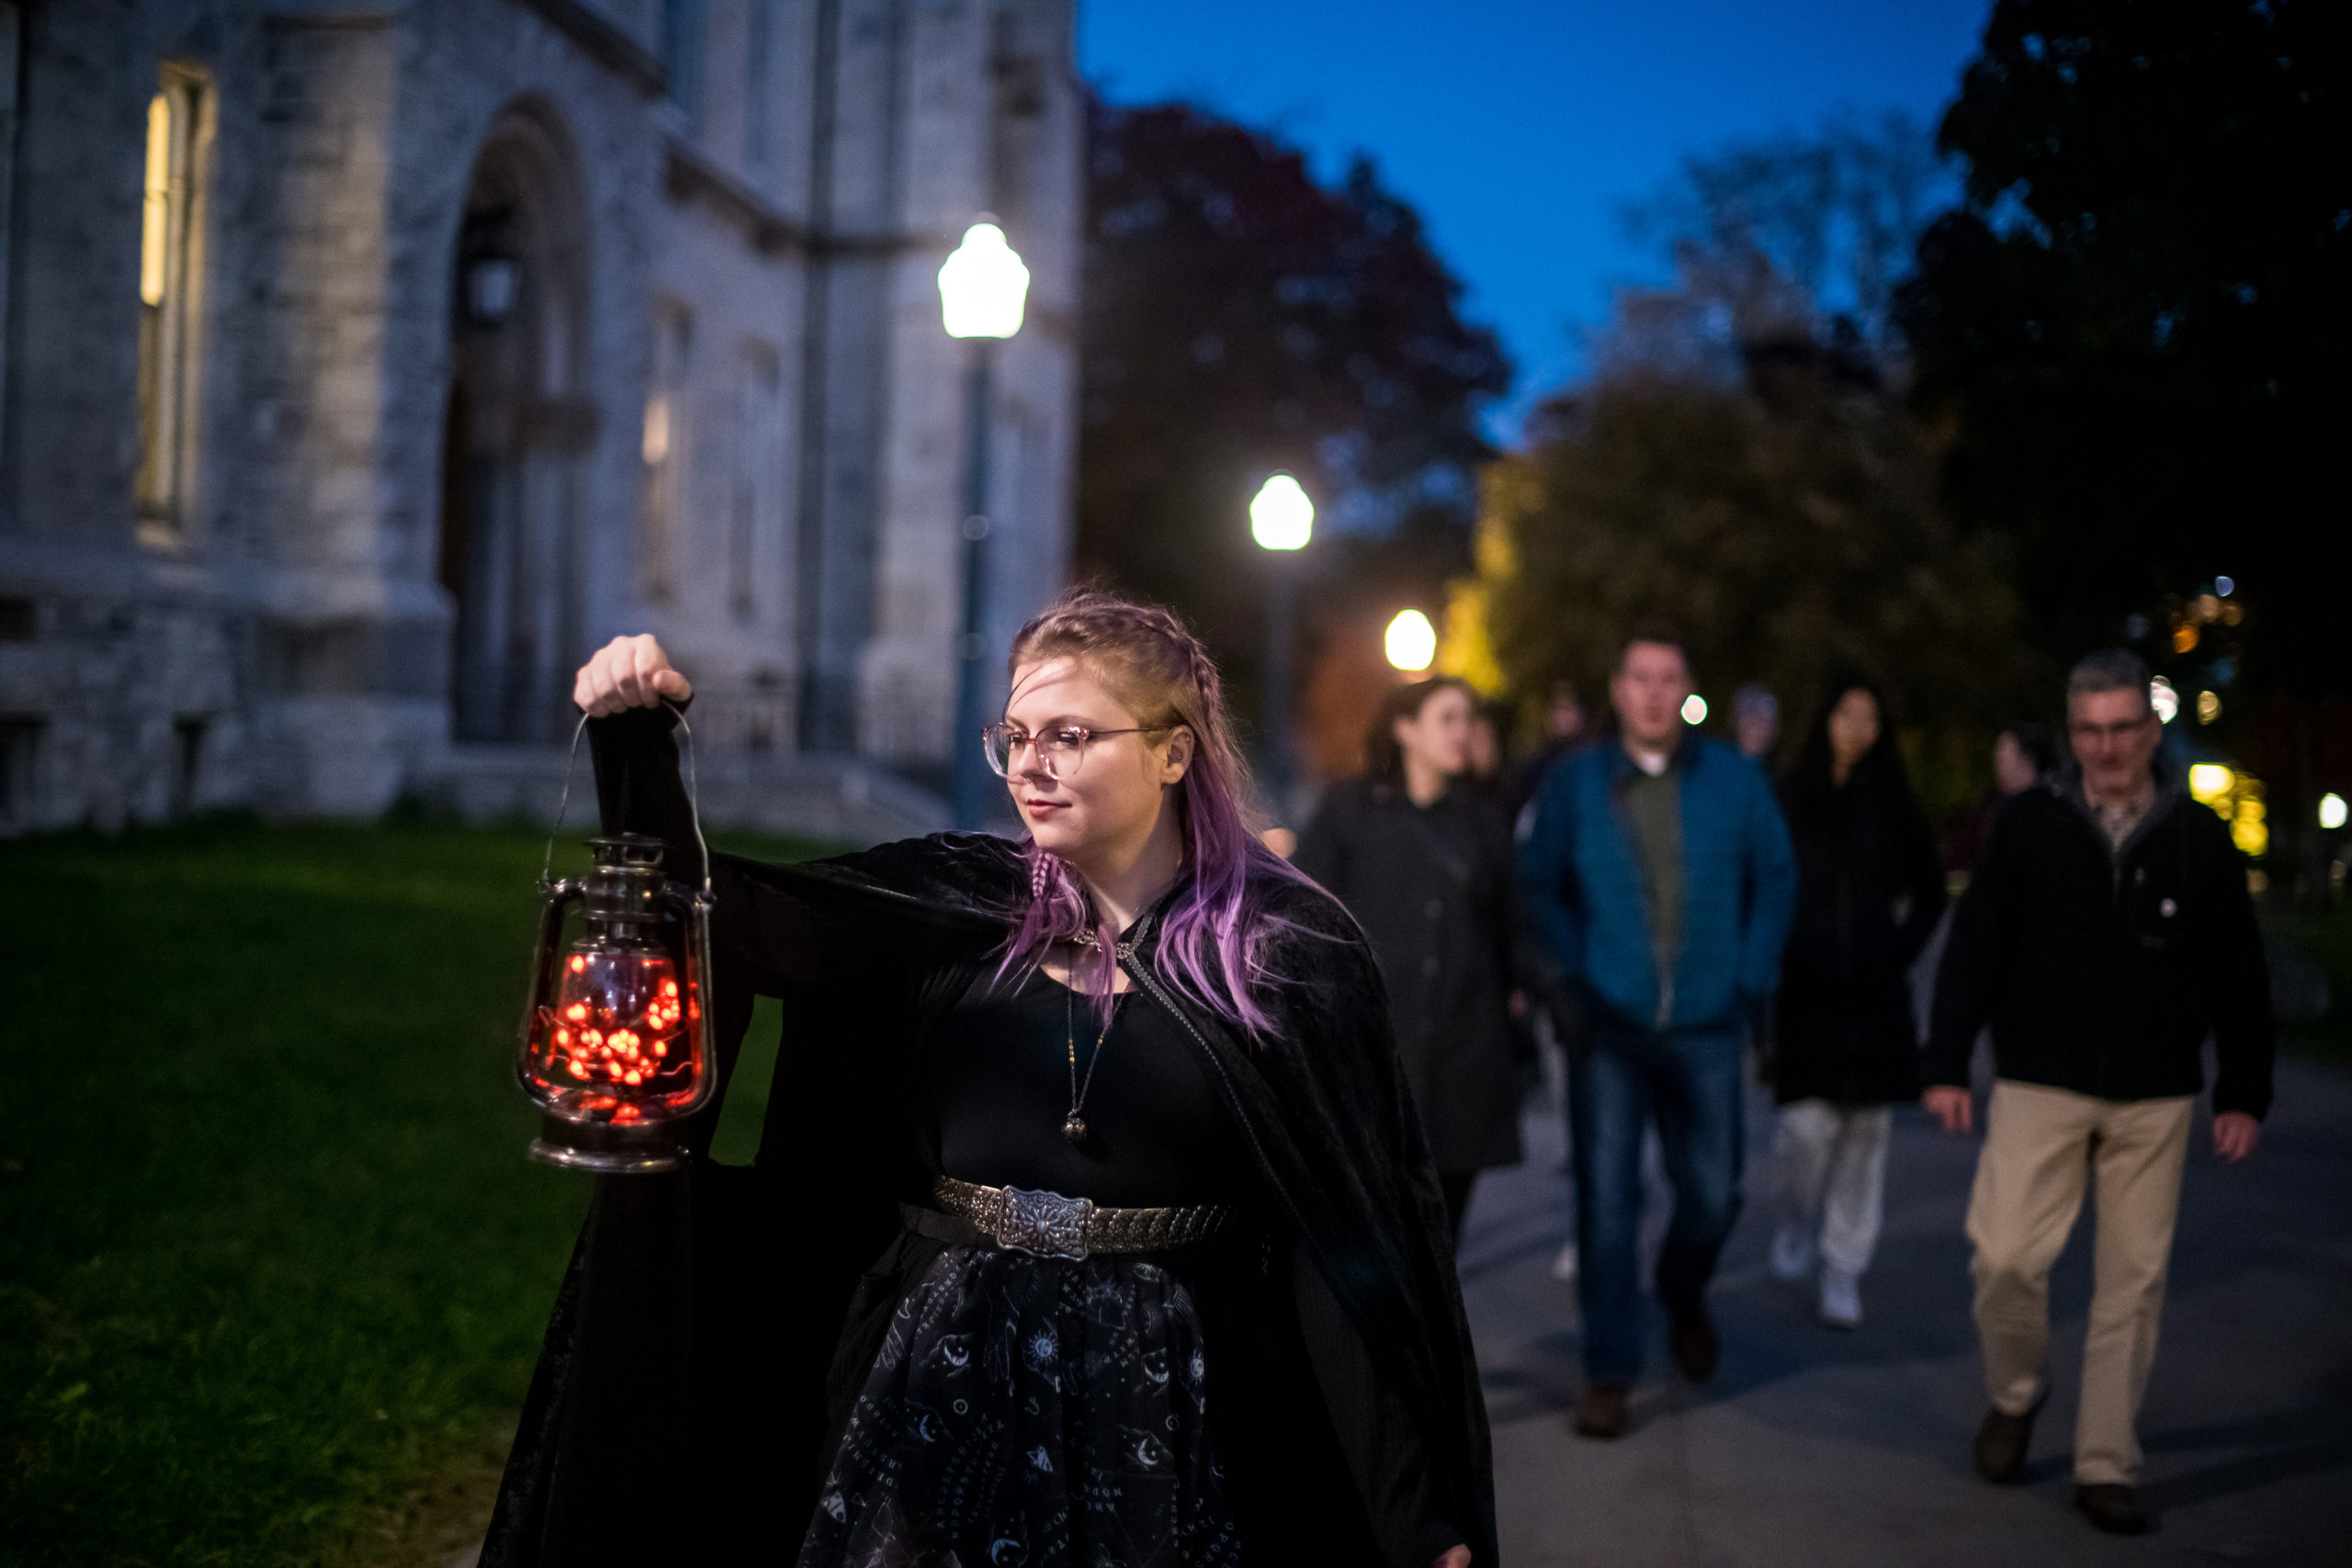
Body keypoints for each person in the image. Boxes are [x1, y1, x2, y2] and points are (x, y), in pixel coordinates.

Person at [484, 591, 1488, 1568]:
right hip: (945, 1379)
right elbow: (710, 925)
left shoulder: (1282, 954)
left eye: (1068, 737)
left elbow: (1342, 1247)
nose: (1027, 767)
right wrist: (637, 743)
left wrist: (1412, 1519)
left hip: (1175, 1403)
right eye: (1012, 735)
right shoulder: (948, 909)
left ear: (1173, 751)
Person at [1925, 649, 2273, 1538]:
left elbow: (2238, 973)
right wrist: (1944, 1059)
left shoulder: (2197, 838)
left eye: (2123, 729)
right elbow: (1974, 946)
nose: (2107, 747)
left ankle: (2104, 1464)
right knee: (2001, 1257)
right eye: (2089, 731)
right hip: (2039, 1076)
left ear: (2150, 732)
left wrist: (2242, 1090)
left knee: (2132, 1283)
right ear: (2069, 734)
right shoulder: (2028, 826)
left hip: (2153, 1091)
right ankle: (2016, 1392)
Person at [1519, 619, 1797, 1439]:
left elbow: (1776, 877)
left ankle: (1682, 1291)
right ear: (1618, 688)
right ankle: (1609, 1368)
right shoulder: (1575, 784)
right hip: (1610, 1023)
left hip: (1710, 1025)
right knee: (1607, 1202)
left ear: (1687, 690)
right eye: (1638, 677)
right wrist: (1565, 976)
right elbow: (1538, 885)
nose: (1652, 693)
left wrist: (1750, 977)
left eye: (1668, 678)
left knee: (1714, 1193)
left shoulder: (1735, 780)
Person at [1296, 677, 1553, 1244]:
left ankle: (1426, 1331)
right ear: (1405, 728)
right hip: (1372, 1050)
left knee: (1442, 1228)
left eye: (1468, 719)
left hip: (1466, 1051)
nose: (1463, 731)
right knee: (1371, 1224)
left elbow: (1515, 926)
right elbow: (1305, 914)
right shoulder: (1349, 809)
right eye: (1448, 718)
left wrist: (1549, 993)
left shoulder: (1484, 821)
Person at [1767, 672, 1946, 1329]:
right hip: (1807, 991)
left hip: (1874, 994)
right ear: (1825, 719)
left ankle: (1843, 1267)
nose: (1858, 728)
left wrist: (1895, 949)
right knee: (1806, 1128)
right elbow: (1761, 878)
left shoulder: (1894, 801)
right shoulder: (1791, 797)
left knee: (1866, 1135)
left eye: (1870, 717)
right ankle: (1793, 1221)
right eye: (1847, 713)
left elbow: (1931, 890)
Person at [1947, 722, 2062, 872]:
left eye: (2003, 758)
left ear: (2026, 761)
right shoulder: (1991, 806)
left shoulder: (2050, 812)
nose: (1997, 765)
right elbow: (1960, 856)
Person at [1506, 679, 1586, 821]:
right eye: (1557, 709)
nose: (1562, 717)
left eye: (1568, 709)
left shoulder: (1590, 766)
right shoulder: (1533, 770)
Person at [1734, 683, 1781, 763]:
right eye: (1758, 719)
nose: (1764, 730)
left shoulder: (1763, 774)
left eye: (1770, 724)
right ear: (1741, 719)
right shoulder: (1708, 753)